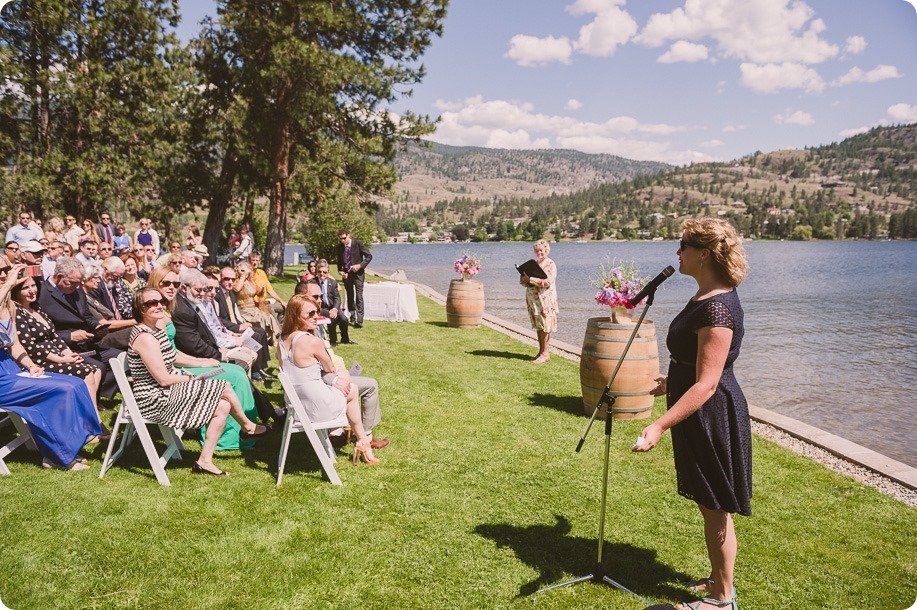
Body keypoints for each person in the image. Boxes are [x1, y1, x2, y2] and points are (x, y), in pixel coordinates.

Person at [633, 218, 750, 610]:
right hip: (700, 405)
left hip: (711, 414)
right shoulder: (706, 295)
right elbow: (698, 365)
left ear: (704, 253)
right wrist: (674, 379)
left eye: (683, 245)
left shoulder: (717, 308)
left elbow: (709, 384)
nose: (677, 252)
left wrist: (658, 425)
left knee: (715, 507)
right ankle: (720, 580)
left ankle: (722, 599)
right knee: (710, 505)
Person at [128, 287, 270, 476]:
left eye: (161, 301)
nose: (160, 305)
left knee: (222, 407)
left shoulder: (155, 329)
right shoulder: (145, 338)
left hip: (167, 390)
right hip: (154, 398)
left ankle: (205, 461)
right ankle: (248, 427)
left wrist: (202, 363)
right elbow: (163, 379)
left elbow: (173, 355)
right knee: (224, 385)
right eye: (151, 303)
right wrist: (192, 378)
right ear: (140, 308)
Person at [149, 267, 274, 447]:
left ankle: (246, 428)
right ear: (155, 284)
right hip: (172, 375)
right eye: (166, 283)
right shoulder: (159, 314)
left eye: (174, 283)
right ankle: (231, 438)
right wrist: (203, 361)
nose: (171, 287)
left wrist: (204, 361)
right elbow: (167, 355)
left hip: (181, 363)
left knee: (237, 370)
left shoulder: (168, 309)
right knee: (235, 376)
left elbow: (172, 351)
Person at [0, 255, 101, 471]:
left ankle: (72, 443)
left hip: (11, 368)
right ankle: (58, 455)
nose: (3, 274)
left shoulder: (8, 306)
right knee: (59, 389)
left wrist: (30, 365)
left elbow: (15, 345)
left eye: (6, 270)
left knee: (74, 383)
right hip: (2, 378)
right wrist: (9, 283)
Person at [278, 294, 379, 465]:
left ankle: (362, 440)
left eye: (316, 312)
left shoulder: (282, 340)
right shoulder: (311, 341)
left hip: (298, 405)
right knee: (352, 389)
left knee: (347, 386)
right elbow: (330, 368)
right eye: (309, 314)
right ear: (296, 315)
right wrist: (339, 374)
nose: (316, 316)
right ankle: (363, 441)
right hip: (316, 408)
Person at [297, 280, 388, 449]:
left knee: (355, 380)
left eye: (320, 297)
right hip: (319, 387)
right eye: (315, 296)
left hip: (313, 384)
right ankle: (363, 436)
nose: (320, 300)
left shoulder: (295, 327)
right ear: (301, 297)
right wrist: (336, 377)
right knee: (370, 385)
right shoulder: (304, 331)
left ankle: (344, 431)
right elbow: (320, 368)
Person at [12, 276, 104, 417]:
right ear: (16, 292)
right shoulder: (17, 313)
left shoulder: (36, 308)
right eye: (25, 288)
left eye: (33, 286)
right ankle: (93, 419)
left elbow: (54, 336)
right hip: (40, 361)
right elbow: (29, 346)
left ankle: (84, 415)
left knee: (96, 370)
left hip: (57, 355)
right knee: (87, 373)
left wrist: (67, 354)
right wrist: (60, 360)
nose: (32, 291)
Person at [38, 257, 122, 399]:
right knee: (98, 367)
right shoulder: (41, 294)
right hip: (62, 347)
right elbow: (42, 332)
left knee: (121, 357)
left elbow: (87, 316)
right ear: (59, 276)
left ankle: (101, 393)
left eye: (79, 283)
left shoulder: (77, 290)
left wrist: (97, 327)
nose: (77, 287)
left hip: (86, 343)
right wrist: (69, 337)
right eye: (73, 283)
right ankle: (89, 400)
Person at [519, 239, 558, 364]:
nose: (539, 252)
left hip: (546, 300)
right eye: (536, 251)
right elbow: (525, 283)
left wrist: (530, 279)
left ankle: (545, 353)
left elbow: (547, 282)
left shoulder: (550, 264)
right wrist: (524, 279)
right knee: (539, 326)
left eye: (541, 250)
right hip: (534, 301)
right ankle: (541, 351)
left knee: (546, 326)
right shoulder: (533, 264)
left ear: (546, 250)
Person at [233, 261, 280, 343]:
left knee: (268, 317)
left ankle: (272, 338)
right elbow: (237, 289)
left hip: (253, 308)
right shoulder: (236, 281)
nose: (244, 273)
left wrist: (262, 288)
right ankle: (263, 340)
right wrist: (242, 277)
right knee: (260, 319)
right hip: (244, 310)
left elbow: (258, 292)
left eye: (246, 270)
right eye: (241, 270)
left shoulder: (250, 281)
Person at [335, 229, 372, 328]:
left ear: (348, 235)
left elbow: (369, 256)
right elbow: (339, 263)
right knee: (350, 296)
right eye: (340, 239)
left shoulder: (358, 243)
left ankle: (359, 321)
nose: (342, 240)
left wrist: (360, 265)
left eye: (344, 238)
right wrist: (341, 272)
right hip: (347, 275)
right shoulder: (339, 248)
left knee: (359, 297)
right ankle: (352, 314)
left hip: (358, 274)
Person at [312, 260, 353, 345]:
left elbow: (337, 298)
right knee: (332, 317)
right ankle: (333, 340)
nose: (322, 274)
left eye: (324, 272)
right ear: (316, 272)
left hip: (332, 306)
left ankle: (345, 339)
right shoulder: (313, 282)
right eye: (319, 272)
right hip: (320, 307)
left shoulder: (333, 283)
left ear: (328, 273)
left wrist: (335, 308)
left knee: (344, 319)